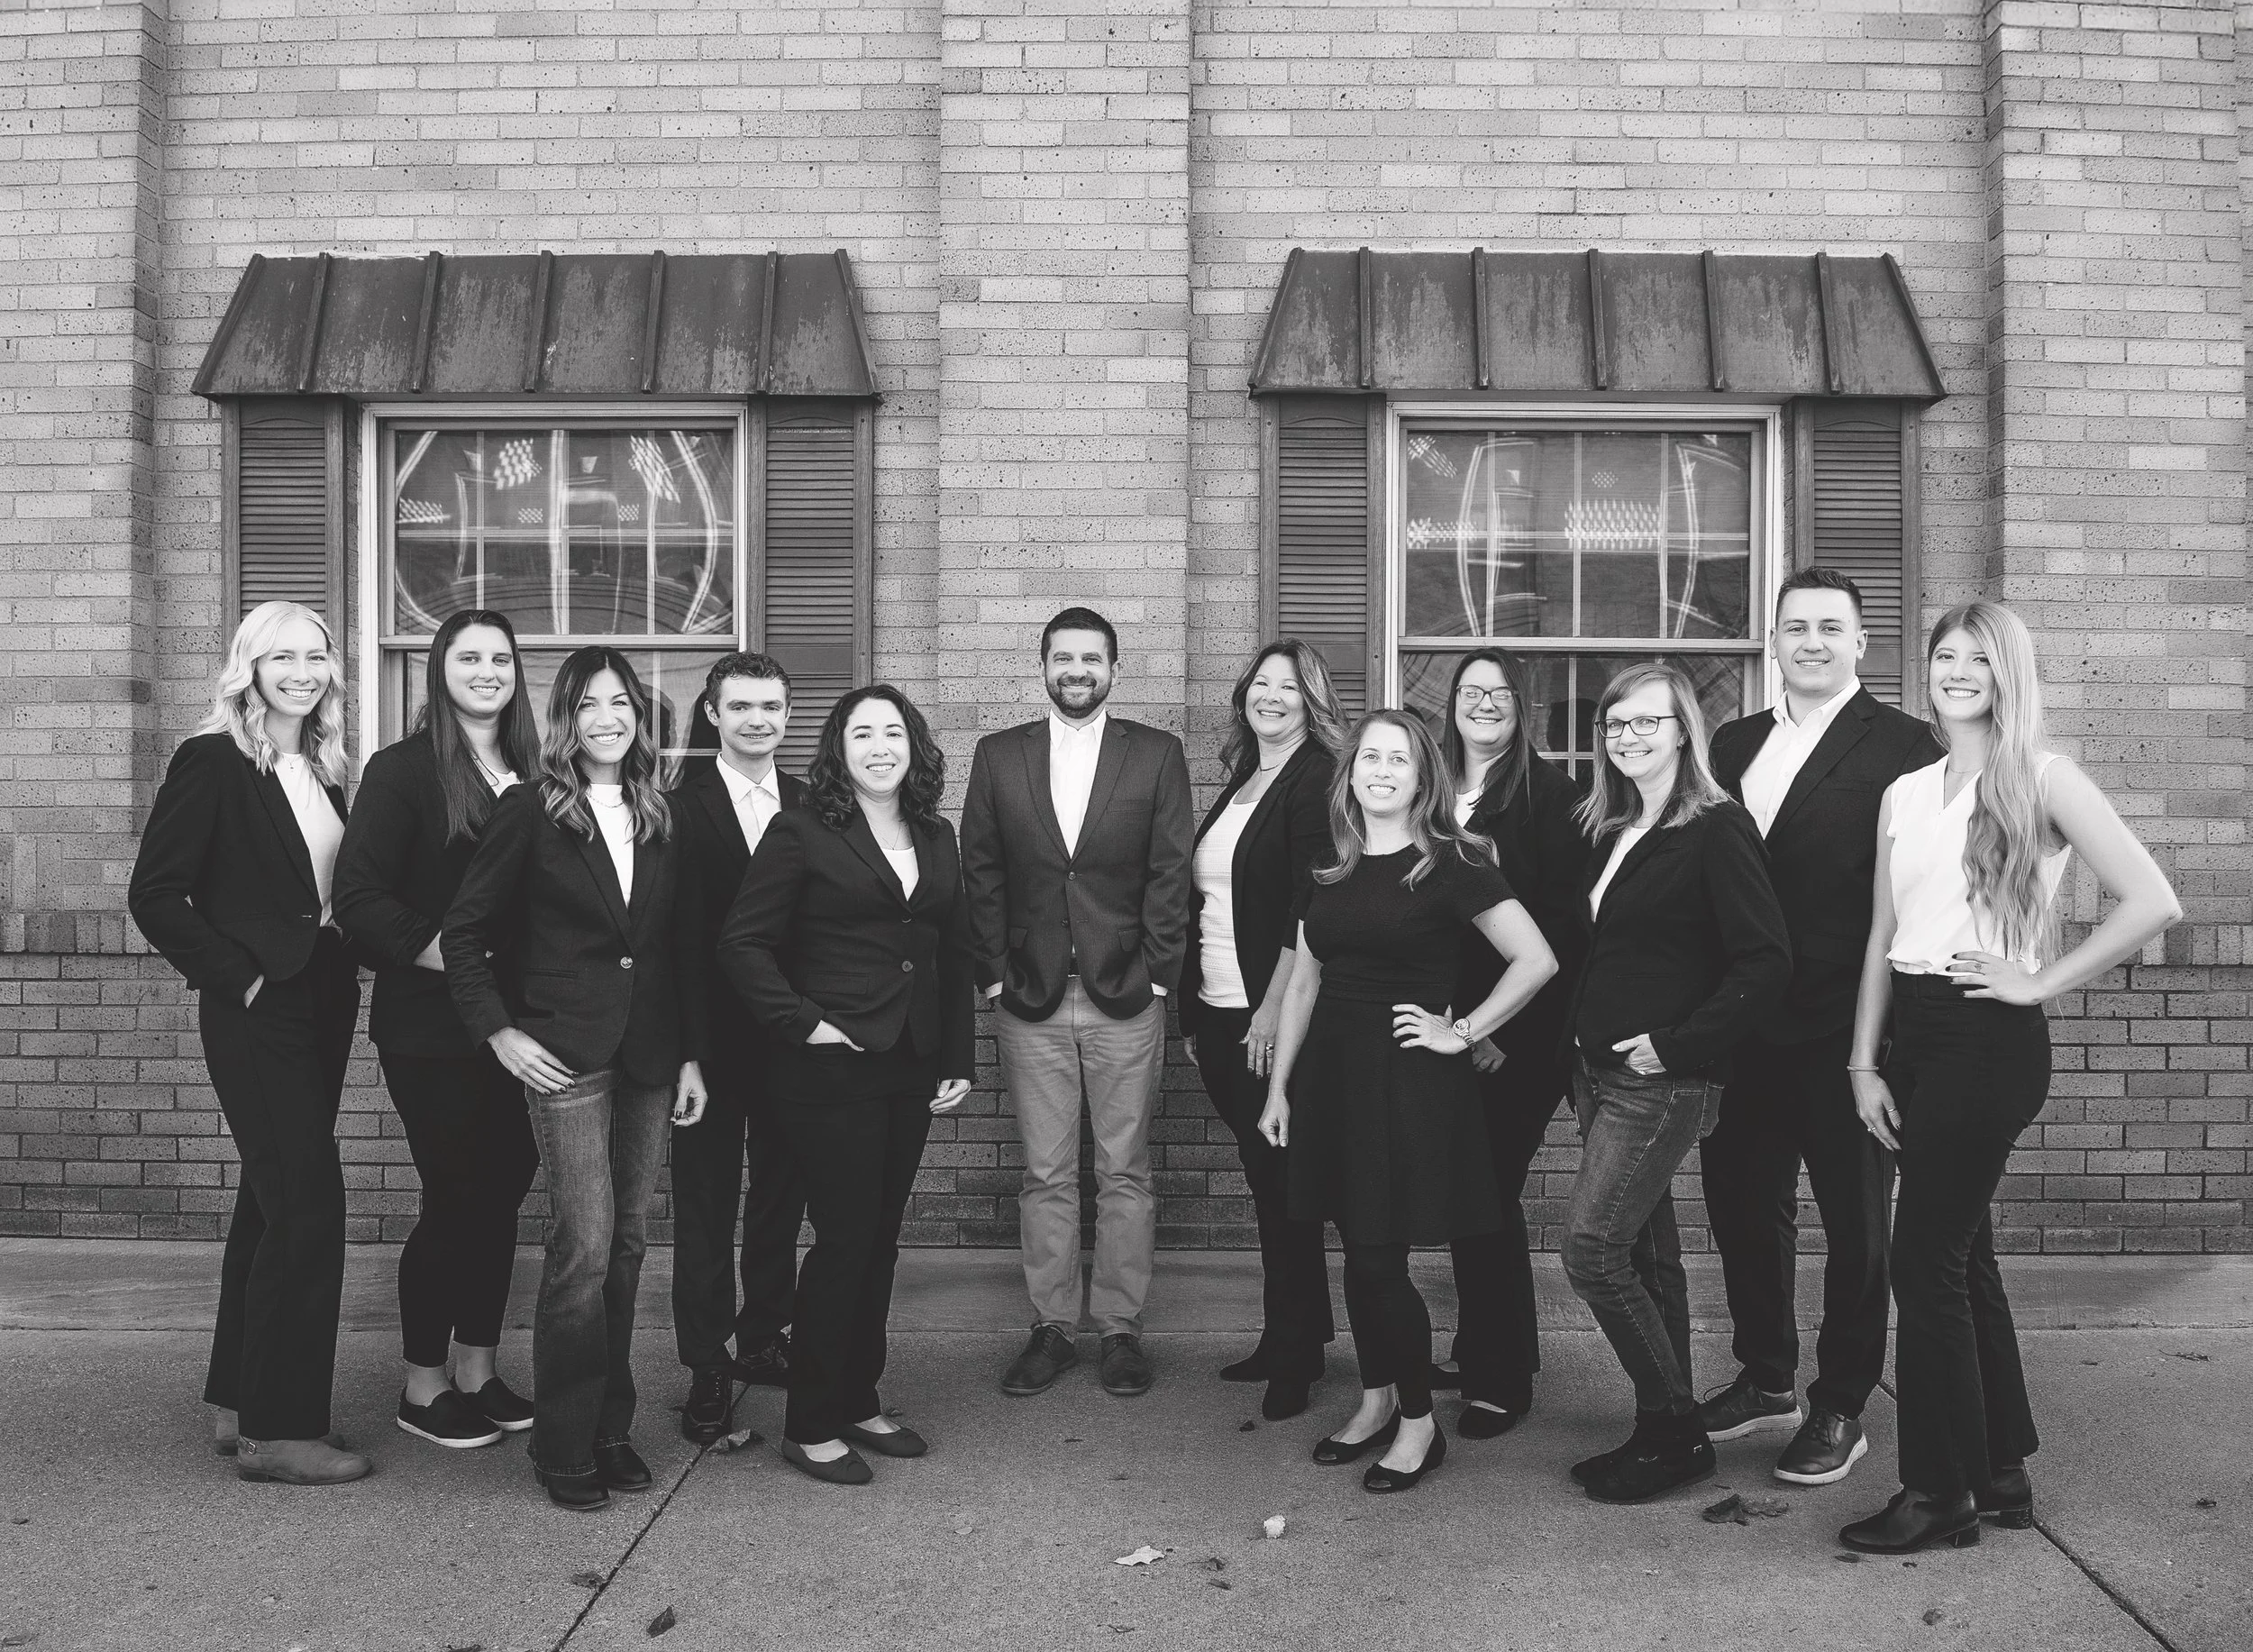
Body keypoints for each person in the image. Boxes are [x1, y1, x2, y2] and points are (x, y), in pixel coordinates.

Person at [1839, 603, 2178, 1555]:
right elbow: (1882, 934)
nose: (1956, 671)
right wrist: (1864, 1060)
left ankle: (1936, 1493)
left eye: (1977, 658)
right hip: (1912, 1034)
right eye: (1943, 654)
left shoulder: (2042, 777)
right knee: (1964, 1259)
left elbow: (2152, 899)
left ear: (2007, 673)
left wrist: (2038, 981)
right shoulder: (1905, 792)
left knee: (1923, 1264)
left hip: (1986, 1037)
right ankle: (1996, 1472)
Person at [1259, 710, 1557, 1494]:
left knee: (1377, 1257)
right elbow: (1303, 984)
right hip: (1332, 1078)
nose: (1382, 770)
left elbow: (1536, 959)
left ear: (1423, 775)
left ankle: (1419, 1423)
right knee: (1354, 1248)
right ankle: (1375, 1398)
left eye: (1399, 759)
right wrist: (1280, 1087)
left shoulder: (1452, 862)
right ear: (1350, 772)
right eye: (1370, 757)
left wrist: (1462, 1030)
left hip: (1406, 1085)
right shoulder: (1329, 864)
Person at [1692, 568, 1944, 1485]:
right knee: (1742, 1209)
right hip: (1743, 1030)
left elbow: (1922, 885)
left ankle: (1841, 1400)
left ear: (1860, 642)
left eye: (1830, 627)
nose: (1811, 641)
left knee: (1855, 1225)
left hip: (1850, 1030)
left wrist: (1889, 1038)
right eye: (1795, 626)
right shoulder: (1732, 743)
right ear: (1773, 639)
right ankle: (1766, 1378)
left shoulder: (1908, 745)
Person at [444, 647, 709, 1511]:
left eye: (621, 702)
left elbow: (677, 946)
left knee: (627, 1244)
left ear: (640, 715)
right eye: (589, 703)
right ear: (566, 716)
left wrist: (690, 1056)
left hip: (650, 1056)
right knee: (584, 1245)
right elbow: (466, 932)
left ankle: (608, 1428)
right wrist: (501, 1033)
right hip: (564, 1053)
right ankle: (562, 1442)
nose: (607, 718)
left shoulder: (661, 811)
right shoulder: (529, 809)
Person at [128, 600, 369, 1485]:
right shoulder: (212, 759)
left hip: (322, 1000)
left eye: (316, 656)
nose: (302, 672)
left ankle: (238, 1399)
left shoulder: (323, 765)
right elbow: (155, 894)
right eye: (282, 657)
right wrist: (241, 978)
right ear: (250, 668)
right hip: (257, 1008)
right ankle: (280, 1430)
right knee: (308, 1204)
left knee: (270, 1203)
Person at [717, 686, 975, 1484]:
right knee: (845, 1239)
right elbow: (742, 943)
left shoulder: (936, 833)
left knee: (881, 1238)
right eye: (862, 733)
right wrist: (806, 1023)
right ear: (839, 749)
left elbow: (948, 950)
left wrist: (956, 1056)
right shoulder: (800, 831)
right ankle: (810, 1421)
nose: (879, 746)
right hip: (827, 1068)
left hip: (909, 1063)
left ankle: (859, 1397)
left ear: (914, 746)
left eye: (893, 731)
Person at [1564, 663, 1791, 1505]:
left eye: (1646, 722)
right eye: (1615, 724)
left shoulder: (1717, 827)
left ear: (1684, 730)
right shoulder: (1614, 825)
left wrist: (1677, 1045)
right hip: (1597, 1074)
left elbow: (1765, 961)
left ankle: (1678, 1431)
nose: (1627, 736)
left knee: (1591, 1250)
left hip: (1660, 1081)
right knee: (1645, 1255)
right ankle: (1660, 1427)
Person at [959, 607, 1195, 1400]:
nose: (1077, 671)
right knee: (1046, 1172)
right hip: (1028, 996)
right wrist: (994, 975)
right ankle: (1053, 1326)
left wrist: (1157, 976)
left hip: (1126, 993)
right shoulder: (999, 755)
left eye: (1092, 658)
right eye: (1064, 657)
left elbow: (1170, 872)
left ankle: (1120, 1328)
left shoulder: (1155, 753)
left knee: (1125, 1168)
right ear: (1043, 666)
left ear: (1114, 669)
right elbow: (981, 869)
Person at [334, 609, 544, 1451]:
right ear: (439, 669)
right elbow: (359, 899)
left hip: (516, 1026)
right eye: (469, 657)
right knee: (456, 1193)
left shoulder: (534, 770)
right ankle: (422, 1384)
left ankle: (477, 1369)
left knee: (505, 1183)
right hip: (430, 1025)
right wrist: (455, 960)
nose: (488, 670)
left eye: (502, 657)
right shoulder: (403, 770)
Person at [1178, 641, 1346, 1422]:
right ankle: (1292, 1333)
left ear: (1312, 701)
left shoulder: (1316, 778)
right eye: (1262, 684)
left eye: (1290, 687)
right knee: (1265, 1177)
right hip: (1219, 1009)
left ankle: (1296, 1354)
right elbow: (1209, 905)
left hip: (1270, 1015)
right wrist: (1195, 1011)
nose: (1271, 696)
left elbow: (1309, 907)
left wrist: (1273, 1009)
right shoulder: (1246, 776)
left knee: (1286, 1185)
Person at [1431, 648, 1592, 1440]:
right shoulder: (1430, 791)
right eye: (1472, 691)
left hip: (1514, 1038)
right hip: (1442, 1031)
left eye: (1500, 693)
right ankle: (1476, 1350)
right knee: (1465, 1194)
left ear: (1520, 708)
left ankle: (1503, 1377)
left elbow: (1565, 932)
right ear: (1452, 703)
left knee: (1487, 1196)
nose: (1485, 704)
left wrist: (1499, 1030)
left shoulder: (1551, 798)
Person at [667, 653, 811, 1445]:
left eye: (772, 707)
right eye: (743, 706)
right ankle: (707, 1365)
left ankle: (762, 1335)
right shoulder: (677, 808)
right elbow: (674, 939)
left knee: (780, 1199)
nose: (759, 720)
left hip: (792, 1041)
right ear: (714, 714)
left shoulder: (815, 803)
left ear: (788, 716)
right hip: (711, 1043)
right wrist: (685, 1052)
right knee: (705, 1205)